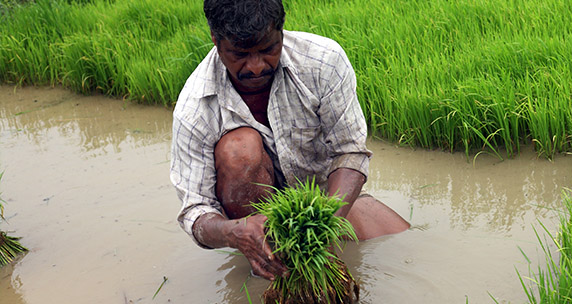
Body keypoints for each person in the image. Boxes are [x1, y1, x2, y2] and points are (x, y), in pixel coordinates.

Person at [169, 0, 409, 281]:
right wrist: (235, 232)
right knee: (239, 149)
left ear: (281, 32)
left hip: (324, 200)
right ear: (216, 42)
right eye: (240, 54)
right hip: (252, 218)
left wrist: (324, 224)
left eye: (268, 49)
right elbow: (196, 210)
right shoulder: (195, 106)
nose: (257, 67)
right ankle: (264, 257)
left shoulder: (322, 61)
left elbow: (350, 152)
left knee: (404, 245)